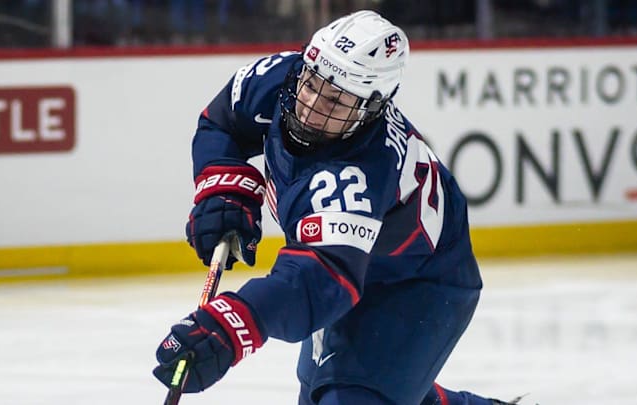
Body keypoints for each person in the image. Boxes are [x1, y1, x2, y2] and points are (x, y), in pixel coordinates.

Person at [153, 10, 519, 405]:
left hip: (415, 282)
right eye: (311, 84)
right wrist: (224, 191)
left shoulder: (358, 173)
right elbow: (222, 121)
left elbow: (318, 279)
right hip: (351, 264)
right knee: (341, 392)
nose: (310, 105)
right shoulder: (280, 79)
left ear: (371, 108)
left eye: (335, 100)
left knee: (350, 397)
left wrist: (234, 322)